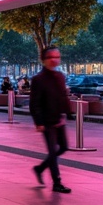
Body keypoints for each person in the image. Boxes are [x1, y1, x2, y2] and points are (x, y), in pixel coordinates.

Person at [29, 47, 73, 194]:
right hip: (46, 121)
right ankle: (57, 182)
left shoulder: (60, 76)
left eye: (57, 56)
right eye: (50, 57)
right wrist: (39, 122)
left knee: (63, 147)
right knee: (52, 152)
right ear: (44, 60)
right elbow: (34, 103)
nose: (54, 59)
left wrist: (66, 113)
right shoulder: (38, 79)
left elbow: (62, 97)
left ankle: (40, 168)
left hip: (58, 119)